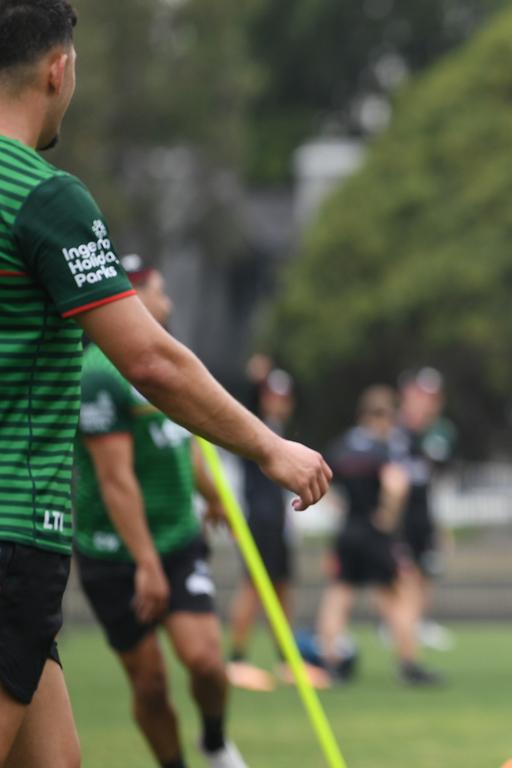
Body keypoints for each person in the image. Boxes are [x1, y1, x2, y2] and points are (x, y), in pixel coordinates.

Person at [0, 3, 331, 764]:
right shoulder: (44, 197)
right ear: (59, 69)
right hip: (14, 534)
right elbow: (150, 360)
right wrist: (268, 447)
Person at [74, 256, 246, 768]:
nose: (168, 304)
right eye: (161, 293)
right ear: (134, 297)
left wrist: (212, 495)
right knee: (150, 685)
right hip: (114, 554)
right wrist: (145, 565)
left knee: (207, 664)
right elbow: (115, 479)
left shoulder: (167, 362)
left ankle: (214, 741)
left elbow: (180, 440)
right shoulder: (99, 374)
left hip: (177, 539)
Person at [312, 386, 441, 686]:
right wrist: (388, 515)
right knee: (398, 594)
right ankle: (409, 663)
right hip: (374, 531)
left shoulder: (342, 445)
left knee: (339, 594)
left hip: (348, 529)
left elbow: (323, 480)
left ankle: (329, 662)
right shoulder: (382, 449)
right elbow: (396, 484)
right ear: (384, 417)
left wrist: (342, 509)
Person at [227, 369, 329, 691]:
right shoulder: (253, 428)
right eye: (272, 395)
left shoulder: (282, 429)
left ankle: (286, 659)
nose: (279, 402)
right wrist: (254, 378)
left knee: (283, 587)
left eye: (284, 397)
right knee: (253, 586)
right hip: (259, 519)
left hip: (280, 523)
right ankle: (237, 659)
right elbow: (234, 404)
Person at [393, 367, 457, 651]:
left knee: (427, 569)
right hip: (401, 518)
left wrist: (441, 525)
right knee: (404, 575)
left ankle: (416, 623)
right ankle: (400, 627)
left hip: (423, 515)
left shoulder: (438, 433)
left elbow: (436, 481)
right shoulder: (398, 432)